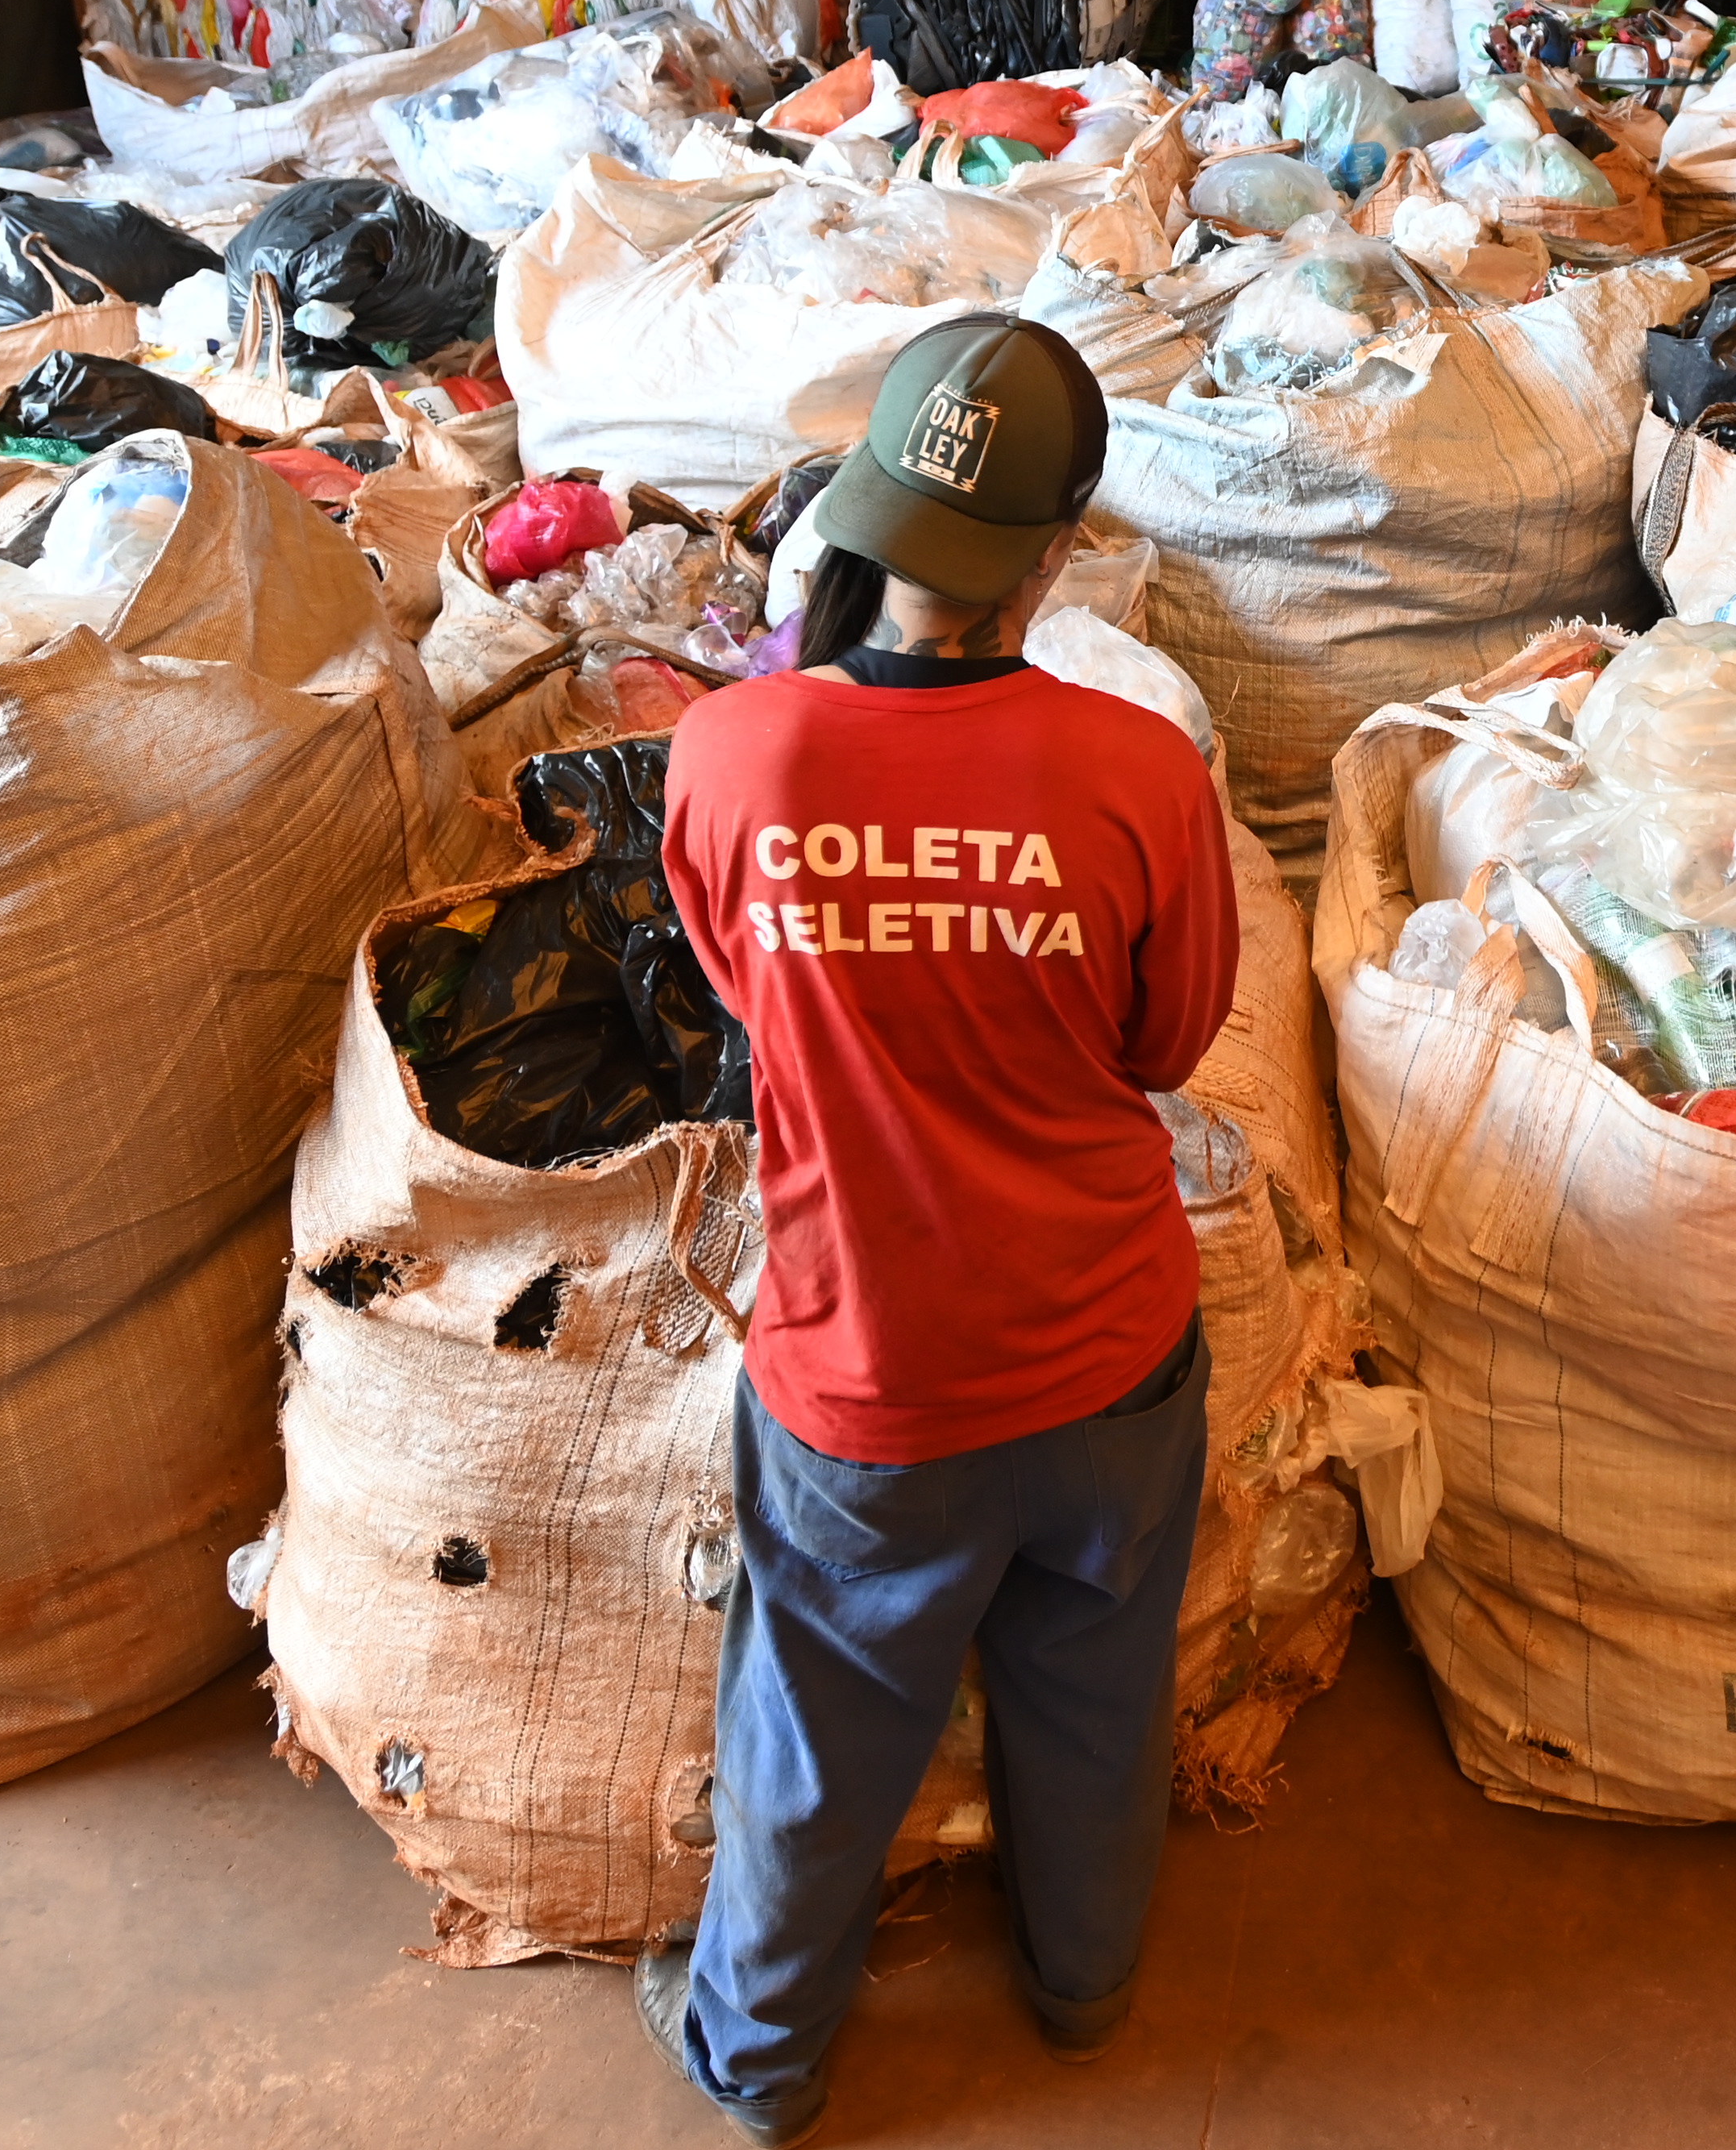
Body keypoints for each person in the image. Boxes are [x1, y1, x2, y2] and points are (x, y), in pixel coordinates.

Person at [641, 314, 1240, 2146]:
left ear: (870, 514)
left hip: (864, 1373)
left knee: (817, 1726)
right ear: (1062, 549)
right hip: (1107, 1347)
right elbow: (1163, 1042)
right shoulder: (1142, 775)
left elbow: (744, 996)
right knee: (1093, 1682)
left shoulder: (730, 752)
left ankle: (759, 2061)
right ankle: (1083, 1989)